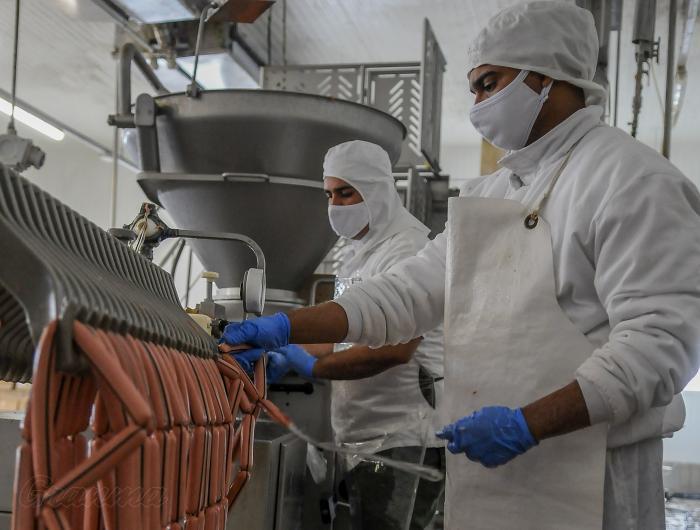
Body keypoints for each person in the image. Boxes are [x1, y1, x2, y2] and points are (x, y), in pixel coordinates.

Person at [221, 2, 700, 529]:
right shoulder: (493, 193)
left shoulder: (631, 180)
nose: (477, 105)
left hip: (593, 477)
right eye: (474, 89)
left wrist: (527, 424)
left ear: (546, 75)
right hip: (491, 473)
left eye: (489, 84)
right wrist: (285, 326)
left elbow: (659, 345)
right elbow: (406, 293)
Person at [234, 140, 445, 529]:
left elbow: (394, 350)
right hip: (362, 434)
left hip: (403, 437)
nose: (335, 206)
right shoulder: (357, 254)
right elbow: (344, 332)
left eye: (346, 193)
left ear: (377, 190)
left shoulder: (409, 249)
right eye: (329, 195)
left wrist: (314, 367)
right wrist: (281, 347)